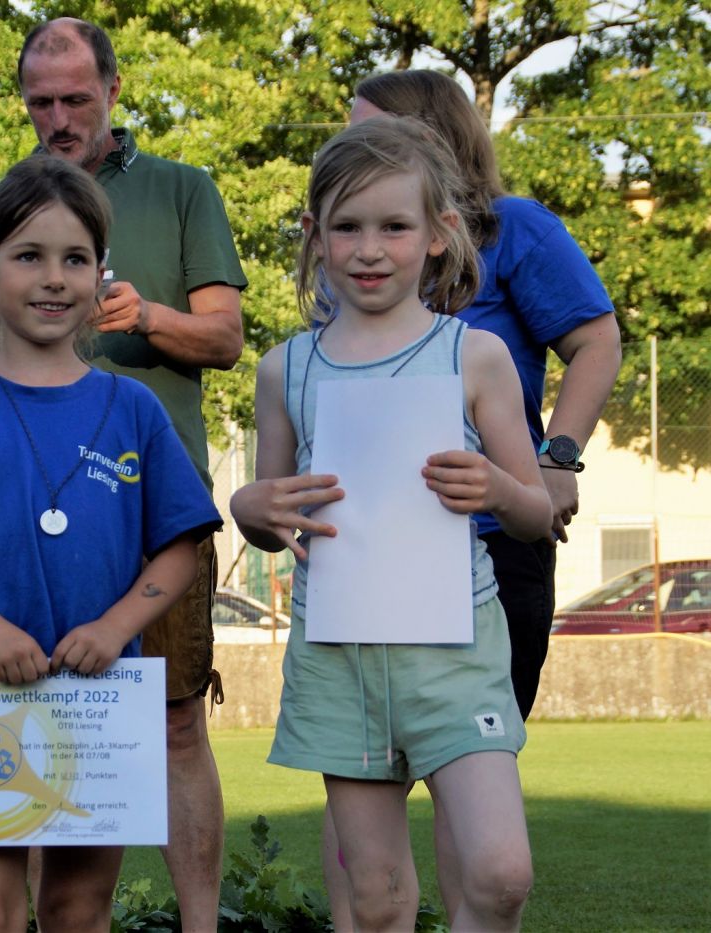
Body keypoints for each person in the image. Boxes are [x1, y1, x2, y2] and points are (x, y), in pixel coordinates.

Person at [0, 20, 245, 926]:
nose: (60, 117)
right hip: (19, 511)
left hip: (148, 508)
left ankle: (199, 923)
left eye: (77, 97)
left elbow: (226, 337)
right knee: (32, 711)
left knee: (176, 720)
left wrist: (144, 316)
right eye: (41, 101)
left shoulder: (183, 188)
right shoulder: (9, 200)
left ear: (113, 89)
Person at [0, 155, 221, 932]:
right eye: (28, 255)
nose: (53, 278)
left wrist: (114, 627)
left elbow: (180, 548)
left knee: (77, 907)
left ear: (101, 276)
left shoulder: (134, 409)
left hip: (97, 701)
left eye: (75, 259)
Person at [230, 115, 552, 932]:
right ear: (315, 235)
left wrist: (496, 488)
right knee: (373, 901)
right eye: (347, 226)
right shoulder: (285, 369)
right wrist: (249, 509)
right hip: (338, 657)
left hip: (456, 654)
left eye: (394, 227)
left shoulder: (473, 357)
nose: (369, 249)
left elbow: (536, 513)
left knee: (501, 874)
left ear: (439, 233)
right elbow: (273, 512)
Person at [319, 70, 622, 929]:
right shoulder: (350, 258)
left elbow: (598, 339)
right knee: (362, 783)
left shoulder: (514, 227)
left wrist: (556, 459)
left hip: (491, 541)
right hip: (369, 555)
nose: (352, 148)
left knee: (468, 773)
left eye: (373, 131)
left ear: (433, 139)